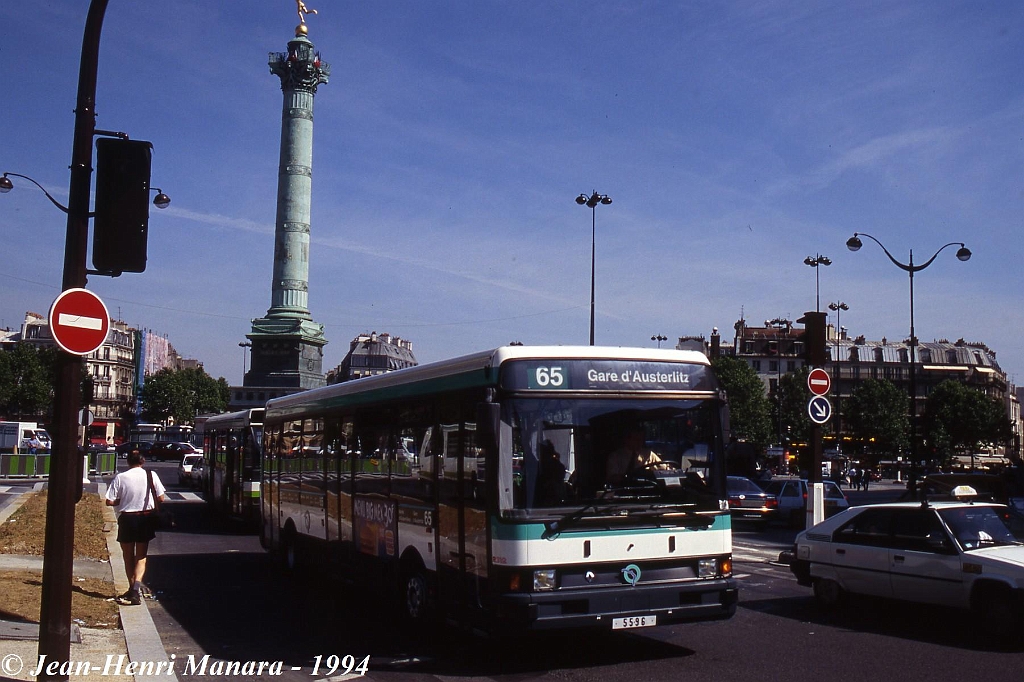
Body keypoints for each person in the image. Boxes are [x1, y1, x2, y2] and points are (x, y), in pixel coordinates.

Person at [105, 450, 166, 605]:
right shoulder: (151, 475)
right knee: (141, 555)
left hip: (127, 519)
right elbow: (161, 497)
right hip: (145, 518)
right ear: (143, 461)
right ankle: (136, 587)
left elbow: (109, 501)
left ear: (128, 462)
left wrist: (123, 500)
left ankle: (132, 588)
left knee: (127, 555)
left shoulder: (121, 477)